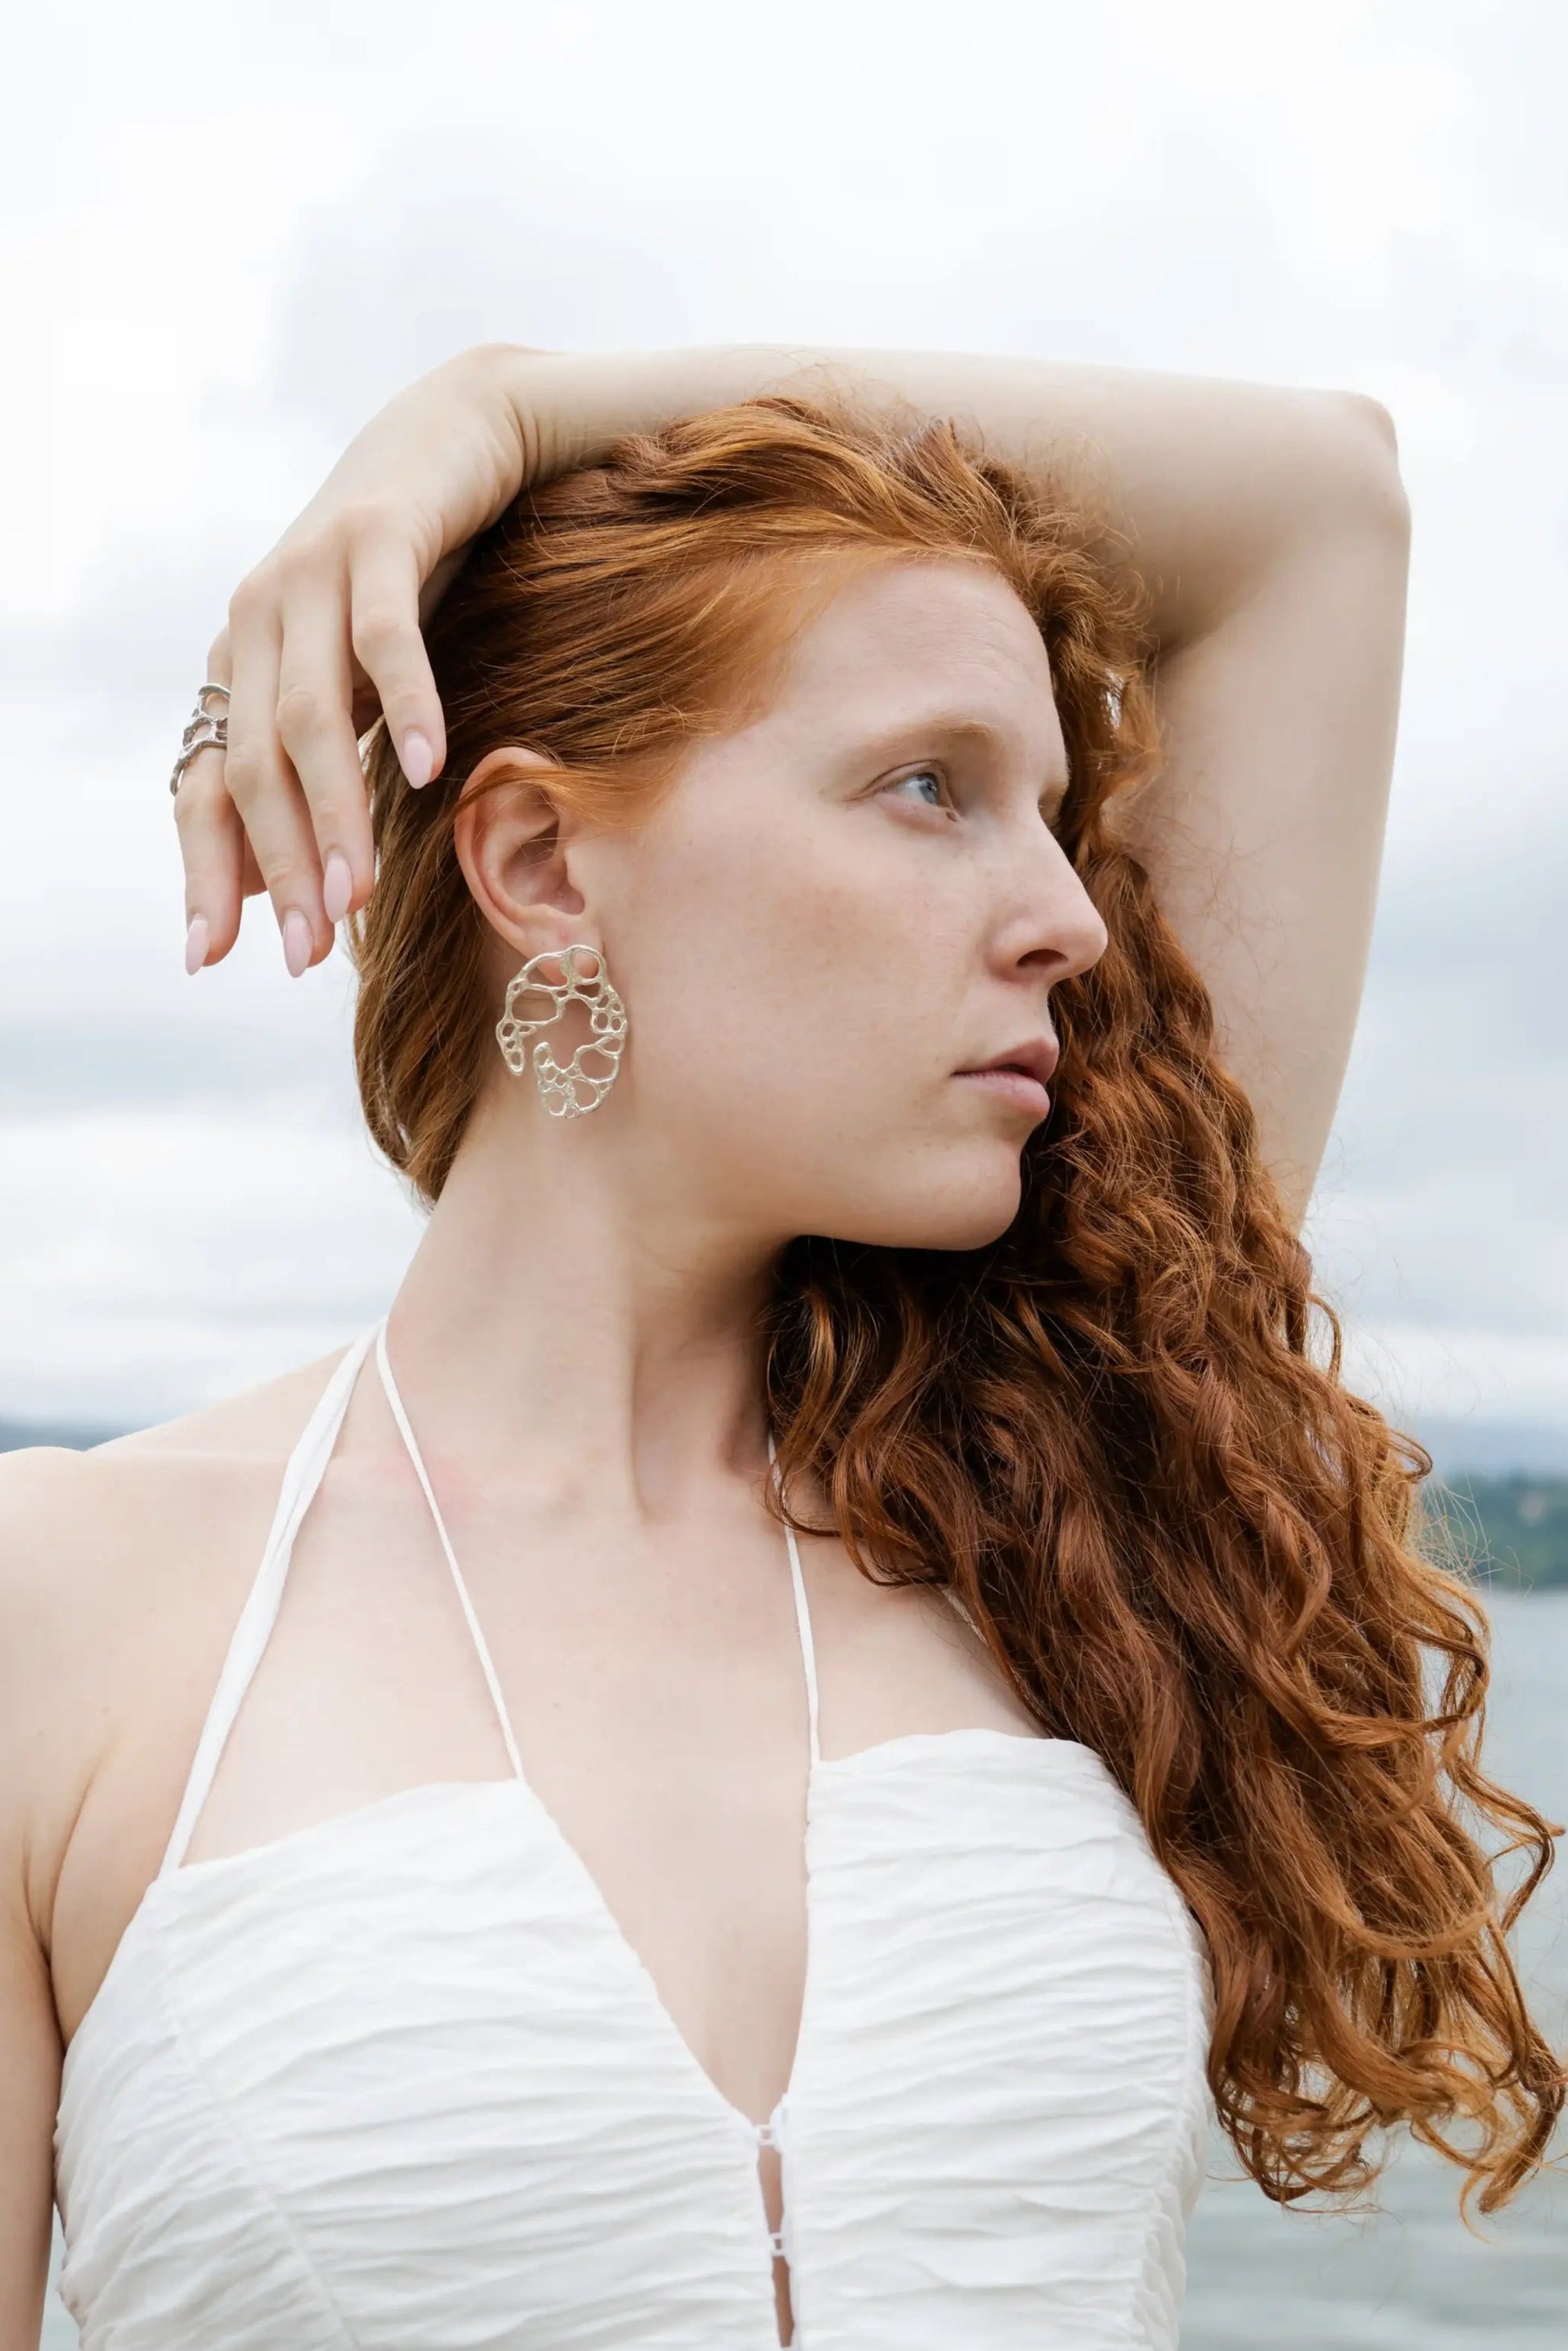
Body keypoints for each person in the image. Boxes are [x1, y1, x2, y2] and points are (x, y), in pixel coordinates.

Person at [2, 346, 1560, 2351]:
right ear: (540, 864)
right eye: (930, 788)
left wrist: (502, 408)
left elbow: (1315, 499)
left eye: (1052, 813)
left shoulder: (1052, 1482)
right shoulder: (66, 1607)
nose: (1070, 917)